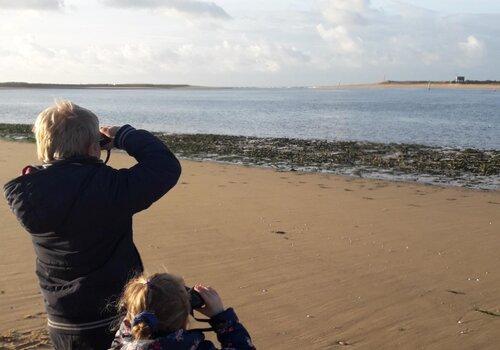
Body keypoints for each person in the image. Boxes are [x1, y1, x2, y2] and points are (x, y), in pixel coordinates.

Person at [3, 100, 182, 349]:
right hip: (113, 318)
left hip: (61, 319)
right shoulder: (111, 188)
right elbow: (165, 166)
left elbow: (60, 186)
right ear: (93, 148)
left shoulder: (28, 193)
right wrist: (123, 136)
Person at [110, 273, 255, 350]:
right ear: (185, 316)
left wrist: (136, 308)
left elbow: (123, 337)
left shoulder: (123, 345)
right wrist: (221, 318)